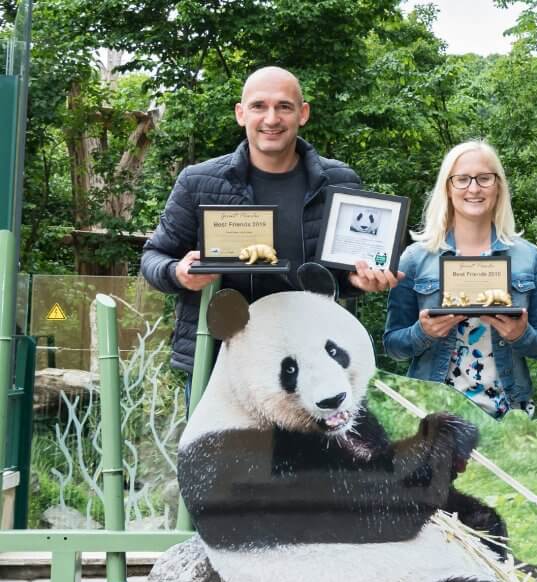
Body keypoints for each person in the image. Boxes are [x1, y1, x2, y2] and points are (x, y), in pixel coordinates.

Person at [140, 66, 400, 376]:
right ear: (241, 114)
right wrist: (178, 273)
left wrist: (357, 282)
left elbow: (340, 276)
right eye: (259, 106)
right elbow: (153, 256)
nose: (272, 119)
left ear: (303, 113)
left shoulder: (339, 182)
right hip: (219, 361)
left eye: (284, 107)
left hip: (311, 361)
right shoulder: (198, 182)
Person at [383, 141, 537, 418]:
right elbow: (393, 345)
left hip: (507, 413)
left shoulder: (528, 257)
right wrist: (423, 333)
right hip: (432, 413)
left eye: (484, 178)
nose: (473, 188)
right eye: (462, 179)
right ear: (448, 188)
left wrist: (521, 335)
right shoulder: (415, 258)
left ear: (498, 186)